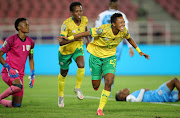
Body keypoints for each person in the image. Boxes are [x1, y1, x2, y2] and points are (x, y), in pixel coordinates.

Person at [58, 13, 150, 115]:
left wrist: (139, 51)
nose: (123, 24)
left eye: (124, 22)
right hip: (96, 58)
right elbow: (86, 33)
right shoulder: (103, 30)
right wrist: (69, 38)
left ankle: (100, 109)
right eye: (121, 22)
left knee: (109, 81)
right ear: (114, 24)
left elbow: (129, 38)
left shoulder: (123, 32)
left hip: (110, 58)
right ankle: (99, 74)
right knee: (95, 85)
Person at [95, 0, 134, 95]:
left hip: (109, 45)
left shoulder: (102, 15)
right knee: (111, 67)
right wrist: (130, 47)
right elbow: (126, 32)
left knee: (109, 67)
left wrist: (130, 47)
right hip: (114, 46)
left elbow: (97, 30)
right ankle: (108, 86)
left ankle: (108, 86)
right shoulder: (121, 15)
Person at [57, 2, 90, 108]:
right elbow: (61, 42)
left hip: (77, 48)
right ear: (71, 12)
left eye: (81, 10)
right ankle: (61, 95)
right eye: (76, 11)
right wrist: (75, 38)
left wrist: (87, 41)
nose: (79, 13)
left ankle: (77, 88)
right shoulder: (66, 24)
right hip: (65, 51)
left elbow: (85, 29)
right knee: (63, 74)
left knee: (81, 65)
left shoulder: (84, 20)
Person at [0, 18, 35, 108]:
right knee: (18, 85)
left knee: (16, 105)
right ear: (18, 27)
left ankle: (3, 101)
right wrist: (8, 67)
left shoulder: (31, 42)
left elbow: (31, 58)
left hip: (20, 75)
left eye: (28, 24)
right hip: (9, 72)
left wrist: (32, 73)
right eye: (25, 25)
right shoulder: (11, 40)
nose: (28, 26)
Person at [116, 78, 180, 102]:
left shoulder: (131, 95)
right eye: (121, 92)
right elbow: (138, 100)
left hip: (161, 97)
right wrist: (142, 90)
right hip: (158, 95)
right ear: (122, 96)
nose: (123, 90)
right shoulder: (129, 98)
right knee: (174, 81)